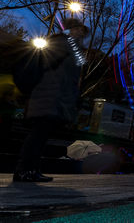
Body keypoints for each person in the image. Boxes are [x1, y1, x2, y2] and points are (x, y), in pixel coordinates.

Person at [14, 18, 88, 182]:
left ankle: (31, 169)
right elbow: (49, 67)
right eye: (79, 30)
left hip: (56, 97)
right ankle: (25, 170)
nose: (82, 34)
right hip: (49, 95)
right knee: (38, 135)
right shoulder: (63, 44)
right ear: (70, 29)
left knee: (41, 135)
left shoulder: (73, 48)